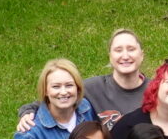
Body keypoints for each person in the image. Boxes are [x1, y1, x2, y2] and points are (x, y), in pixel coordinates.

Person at [19, 29, 147, 130]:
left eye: (131, 49)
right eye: (118, 50)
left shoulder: (154, 90)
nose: (125, 56)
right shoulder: (92, 88)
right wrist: (27, 112)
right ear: (110, 56)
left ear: (141, 55)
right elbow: (47, 101)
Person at [14, 58, 97, 139]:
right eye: (56, 86)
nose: (63, 92)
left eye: (69, 85)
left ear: (78, 88)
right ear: (46, 91)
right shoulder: (29, 134)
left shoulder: (86, 110)